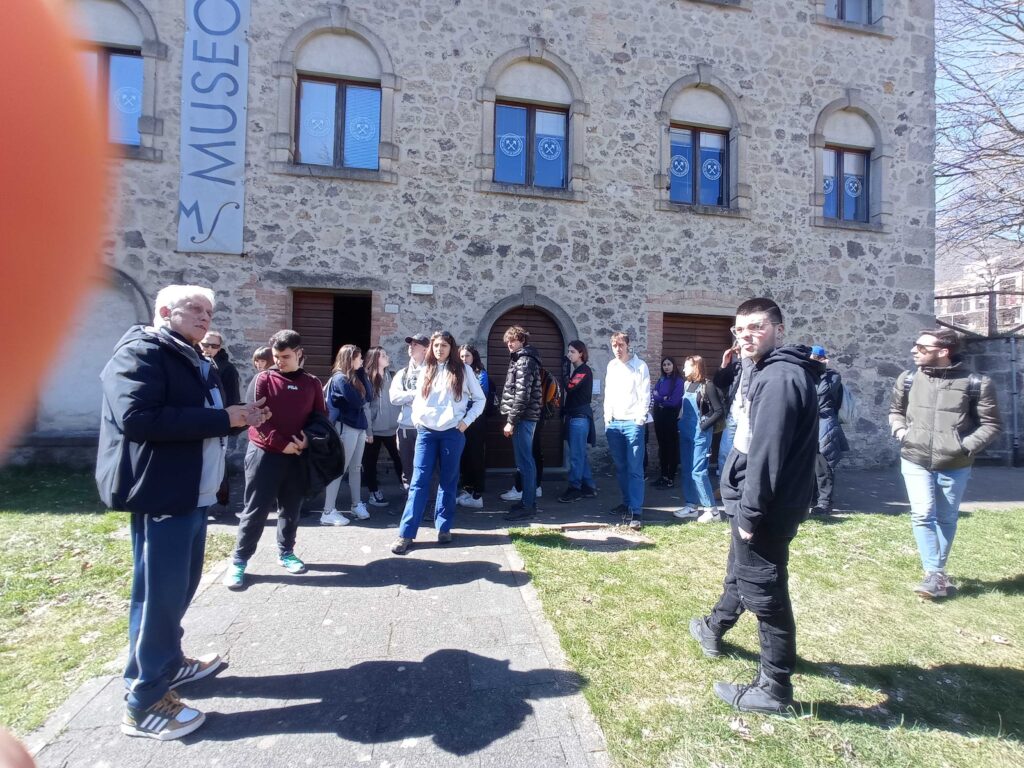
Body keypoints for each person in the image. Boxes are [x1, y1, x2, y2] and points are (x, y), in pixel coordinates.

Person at [96, 284, 269, 740]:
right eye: (196, 309)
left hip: (193, 493)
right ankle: (144, 702)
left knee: (179, 589)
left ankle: (169, 664)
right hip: (163, 493)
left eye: (210, 311)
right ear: (165, 310)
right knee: (158, 596)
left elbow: (204, 414)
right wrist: (223, 419)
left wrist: (241, 415)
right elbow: (137, 418)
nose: (206, 317)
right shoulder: (143, 351)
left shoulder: (194, 357)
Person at [688, 298, 820, 715]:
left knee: (766, 593)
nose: (746, 335)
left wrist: (749, 513)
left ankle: (774, 689)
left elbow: (767, 454)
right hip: (755, 504)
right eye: (740, 329)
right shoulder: (762, 368)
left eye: (756, 327)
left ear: (779, 328)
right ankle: (714, 628)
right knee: (741, 573)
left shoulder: (780, 378)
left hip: (763, 509)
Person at [889, 328, 1001, 599]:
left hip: (955, 462)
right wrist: (901, 432)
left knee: (946, 517)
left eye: (922, 347)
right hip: (914, 458)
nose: (914, 351)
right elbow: (896, 411)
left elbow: (991, 424)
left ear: (943, 352)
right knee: (923, 513)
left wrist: (964, 447)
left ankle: (935, 574)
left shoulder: (977, 382)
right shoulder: (908, 379)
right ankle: (935, 572)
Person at [224, 330, 325, 590]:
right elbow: (254, 418)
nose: (279, 361)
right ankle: (239, 561)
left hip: (297, 455)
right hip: (264, 454)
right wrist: (282, 445)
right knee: (255, 509)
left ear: (299, 353)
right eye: (276, 356)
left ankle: (286, 552)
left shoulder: (312, 383)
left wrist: (307, 441)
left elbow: (320, 419)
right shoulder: (263, 379)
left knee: (291, 508)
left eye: (285, 356)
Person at [390, 331, 485, 554]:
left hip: (452, 432)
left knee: (448, 481)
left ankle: (444, 528)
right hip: (426, 433)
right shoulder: (426, 369)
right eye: (436, 346)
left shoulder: (463, 370)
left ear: (451, 347)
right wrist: (417, 420)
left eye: (443, 345)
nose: (439, 349)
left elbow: (480, 399)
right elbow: (418, 399)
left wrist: (465, 423)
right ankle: (406, 534)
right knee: (419, 481)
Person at [320, 345, 374, 526]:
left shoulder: (355, 377)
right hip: (345, 428)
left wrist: (362, 374)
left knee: (356, 467)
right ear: (349, 359)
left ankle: (356, 504)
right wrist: (360, 378)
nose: (362, 361)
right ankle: (328, 511)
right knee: (339, 468)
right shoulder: (340, 379)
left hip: (358, 428)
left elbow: (369, 396)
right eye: (358, 358)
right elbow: (358, 400)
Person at [603, 331, 650, 531]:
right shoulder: (612, 366)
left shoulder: (640, 366)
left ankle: (636, 511)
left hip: (633, 423)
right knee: (621, 468)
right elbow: (608, 393)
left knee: (635, 469)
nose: (618, 349)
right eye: (614, 346)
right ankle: (626, 502)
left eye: (621, 345)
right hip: (614, 424)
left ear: (628, 345)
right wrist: (607, 418)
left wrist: (639, 420)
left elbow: (645, 394)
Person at [499, 325, 543, 521]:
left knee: (525, 462)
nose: (510, 343)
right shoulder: (521, 359)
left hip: (523, 419)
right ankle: (527, 501)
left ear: (522, 341)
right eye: (508, 340)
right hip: (523, 418)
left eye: (514, 340)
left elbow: (522, 395)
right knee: (524, 462)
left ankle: (528, 506)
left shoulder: (524, 361)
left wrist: (511, 421)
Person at [674, 355, 724, 522]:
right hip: (686, 432)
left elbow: (718, 411)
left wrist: (703, 426)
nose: (683, 369)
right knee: (687, 470)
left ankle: (712, 510)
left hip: (701, 435)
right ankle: (691, 506)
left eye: (687, 366)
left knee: (698, 471)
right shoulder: (687, 385)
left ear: (695, 367)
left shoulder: (707, 386)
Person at [808, 345, 849, 516]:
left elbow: (821, 393)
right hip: (809, 425)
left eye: (816, 359)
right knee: (808, 465)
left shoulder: (832, 377)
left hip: (825, 424)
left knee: (823, 465)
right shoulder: (806, 375)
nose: (812, 362)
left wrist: (822, 369)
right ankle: (811, 498)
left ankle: (824, 503)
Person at [362, 345, 403, 509]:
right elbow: (365, 407)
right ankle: (374, 492)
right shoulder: (366, 378)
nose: (387, 357)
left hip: (393, 428)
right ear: (375, 359)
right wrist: (368, 430)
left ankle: (406, 487)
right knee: (370, 461)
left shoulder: (392, 375)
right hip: (373, 429)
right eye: (383, 355)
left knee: (400, 459)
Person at [558, 340, 597, 502]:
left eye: (572, 352)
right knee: (580, 454)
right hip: (576, 418)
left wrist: (565, 371)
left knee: (576, 456)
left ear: (581, 353)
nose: (569, 355)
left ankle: (575, 488)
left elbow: (570, 387)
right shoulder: (579, 370)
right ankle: (588, 486)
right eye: (568, 351)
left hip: (579, 419)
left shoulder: (583, 370)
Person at [390, 334, 429, 490]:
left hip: (426, 427)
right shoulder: (402, 373)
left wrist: (408, 397)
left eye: (415, 345)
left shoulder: (432, 371)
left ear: (425, 350)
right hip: (405, 427)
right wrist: (415, 395)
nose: (411, 347)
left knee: (428, 468)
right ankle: (409, 504)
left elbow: (432, 397)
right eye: (410, 344)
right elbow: (394, 398)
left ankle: (430, 504)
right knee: (407, 470)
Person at [457, 344, 490, 509]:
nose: (464, 359)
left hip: (476, 422)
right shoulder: (458, 373)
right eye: (461, 356)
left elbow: (478, 397)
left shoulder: (481, 374)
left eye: (467, 356)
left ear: (474, 357)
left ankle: (477, 494)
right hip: (461, 422)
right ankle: (467, 490)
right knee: (464, 457)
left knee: (475, 456)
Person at [651, 357, 684, 487]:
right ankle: (663, 475)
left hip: (671, 416)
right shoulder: (661, 379)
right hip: (659, 415)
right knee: (662, 446)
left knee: (671, 447)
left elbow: (675, 401)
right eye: (664, 365)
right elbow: (654, 394)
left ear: (674, 365)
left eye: (669, 364)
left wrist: (662, 400)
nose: (666, 367)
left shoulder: (678, 381)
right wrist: (663, 398)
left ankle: (670, 478)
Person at [200, 331, 240, 407]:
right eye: (205, 345)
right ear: (199, 344)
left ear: (219, 348)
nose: (209, 348)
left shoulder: (228, 368)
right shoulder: (193, 361)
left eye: (214, 346)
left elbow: (233, 398)